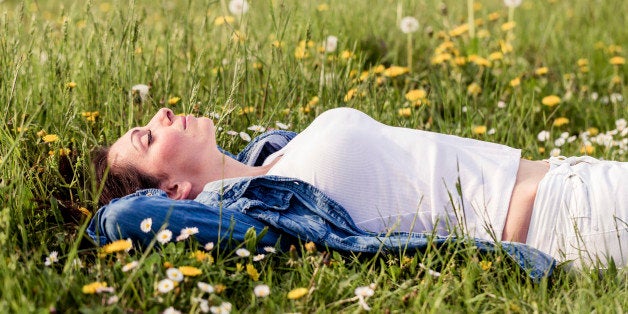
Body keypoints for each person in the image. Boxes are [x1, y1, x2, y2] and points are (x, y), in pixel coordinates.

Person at [88, 107, 627, 274]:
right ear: (176, 193)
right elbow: (124, 218)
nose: (160, 116)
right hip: (569, 221)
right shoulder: (270, 216)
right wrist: (106, 214)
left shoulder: (272, 158)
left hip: (574, 176)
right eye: (146, 137)